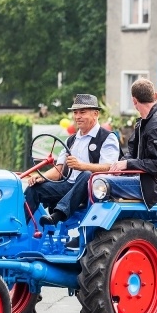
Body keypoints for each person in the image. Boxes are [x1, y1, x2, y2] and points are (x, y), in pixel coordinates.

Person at [24, 94, 120, 226]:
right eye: (75, 112)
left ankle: (58, 215)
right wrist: (43, 177)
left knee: (86, 175)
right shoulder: (71, 140)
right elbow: (59, 170)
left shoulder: (107, 137)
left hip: (94, 190)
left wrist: (82, 166)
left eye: (82, 112)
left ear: (95, 114)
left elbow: (109, 167)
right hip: (69, 186)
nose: (77, 116)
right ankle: (19, 229)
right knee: (34, 189)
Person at [106, 79, 157, 206]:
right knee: (97, 180)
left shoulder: (156, 126)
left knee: (99, 182)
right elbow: (132, 153)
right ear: (156, 96)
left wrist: (128, 164)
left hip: (152, 186)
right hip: (143, 179)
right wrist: (120, 165)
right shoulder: (144, 123)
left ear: (134, 101)